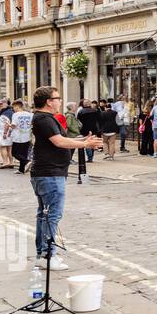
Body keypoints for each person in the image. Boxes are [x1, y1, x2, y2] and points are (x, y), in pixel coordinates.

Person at [29, 86, 104, 270]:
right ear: (48, 101)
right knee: (52, 215)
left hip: (47, 173)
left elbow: (59, 139)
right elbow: (59, 142)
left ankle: (43, 255)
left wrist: (81, 139)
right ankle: (47, 256)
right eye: (57, 97)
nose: (60, 101)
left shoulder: (44, 119)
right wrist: (84, 143)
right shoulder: (44, 119)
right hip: (50, 174)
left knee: (44, 215)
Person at [10, 100, 34, 174]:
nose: (13, 109)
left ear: (17, 106)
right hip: (27, 136)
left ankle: (27, 162)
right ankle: (21, 169)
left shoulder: (16, 114)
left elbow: (13, 125)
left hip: (18, 136)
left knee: (14, 153)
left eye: (13, 107)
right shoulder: (30, 114)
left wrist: (9, 125)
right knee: (23, 153)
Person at [0, 104, 15, 168]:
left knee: (3, 147)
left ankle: (5, 162)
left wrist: (4, 133)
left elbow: (6, 124)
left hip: (4, 133)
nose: (0, 107)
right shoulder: (12, 113)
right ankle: (11, 162)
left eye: (1, 106)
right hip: (10, 133)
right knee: (9, 148)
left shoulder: (5, 114)